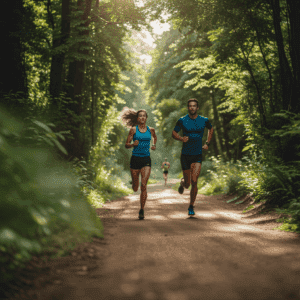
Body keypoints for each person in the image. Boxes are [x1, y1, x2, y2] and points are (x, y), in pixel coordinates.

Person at [171, 99, 214, 216]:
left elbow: (211, 128)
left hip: (197, 154)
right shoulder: (182, 120)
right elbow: (173, 133)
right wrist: (181, 138)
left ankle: (191, 206)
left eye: (194, 106)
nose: (192, 108)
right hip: (185, 155)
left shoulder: (204, 120)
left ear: (197, 108)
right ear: (188, 108)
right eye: (190, 106)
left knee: (194, 181)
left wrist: (207, 143)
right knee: (188, 183)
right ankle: (183, 183)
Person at [121, 107, 157, 220]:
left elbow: (155, 138)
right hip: (135, 159)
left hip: (146, 159)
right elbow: (126, 144)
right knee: (135, 187)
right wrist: (132, 144)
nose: (142, 117)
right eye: (140, 116)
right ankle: (133, 182)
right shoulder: (133, 130)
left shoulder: (151, 130)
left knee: (144, 185)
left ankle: (142, 209)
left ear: (146, 118)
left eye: (144, 116)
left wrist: (154, 144)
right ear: (137, 118)